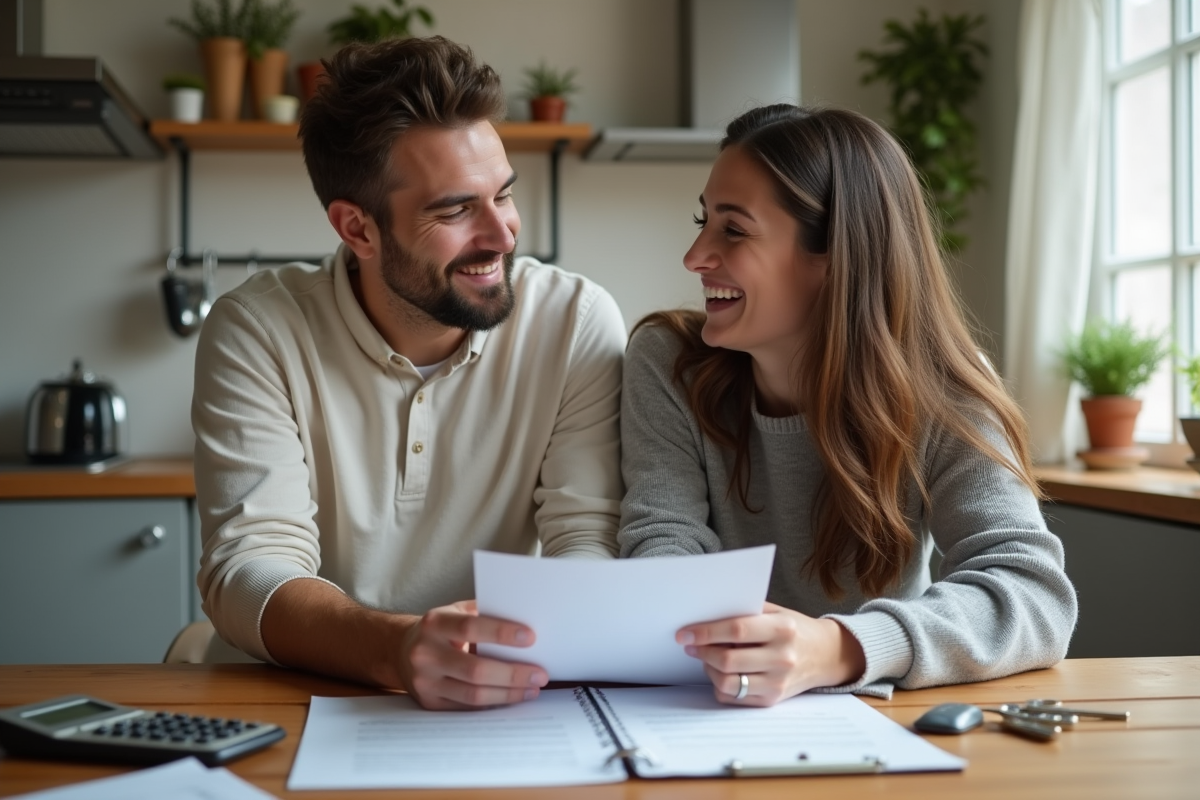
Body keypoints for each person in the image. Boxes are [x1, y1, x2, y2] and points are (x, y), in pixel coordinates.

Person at [192, 36, 626, 710]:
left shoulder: (575, 321)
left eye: (504, 195)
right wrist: (396, 649)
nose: (503, 235)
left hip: (507, 696)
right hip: (298, 699)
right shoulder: (258, 327)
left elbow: (588, 543)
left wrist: (502, 653)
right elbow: (249, 569)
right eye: (456, 210)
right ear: (357, 229)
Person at [619, 105, 1077, 705]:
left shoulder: (945, 391)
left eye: (733, 229)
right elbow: (662, 544)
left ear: (835, 255)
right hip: (707, 704)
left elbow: (1035, 595)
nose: (695, 255)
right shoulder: (669, 363)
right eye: (704, 220)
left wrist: (838, 649)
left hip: (881, 717)